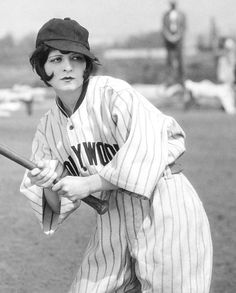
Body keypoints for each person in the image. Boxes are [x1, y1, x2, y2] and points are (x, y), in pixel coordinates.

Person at [20, 17, 212, 292]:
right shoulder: (48, 126)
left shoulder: (113, 94)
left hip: (164, 204)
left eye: (76, 58)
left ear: (87, 65)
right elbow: (52, 206)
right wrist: (48, 183)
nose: (67, 66)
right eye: (57, 59)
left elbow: (149, 150)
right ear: (42, 66)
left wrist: (88, 183)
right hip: (111, 215)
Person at [162, 0, 186, 85]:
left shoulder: (181, 15)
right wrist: (169, 37)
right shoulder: (166, 15)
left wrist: (177, 37)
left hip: (178, 41)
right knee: (169, 61)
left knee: (180, 61)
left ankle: (181, 82)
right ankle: (169, 82)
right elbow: (164, 28)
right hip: (169, 41)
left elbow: (183, 28)